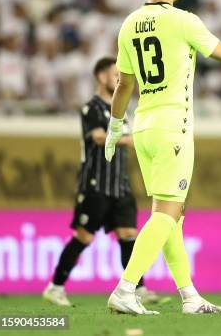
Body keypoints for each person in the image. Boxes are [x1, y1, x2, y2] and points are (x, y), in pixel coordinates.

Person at [104, 0, 221, 315]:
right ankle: (126, 289)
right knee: (166, 213)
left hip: (142, 126)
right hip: (173, 127)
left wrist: (115, 126)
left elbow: (124, 86)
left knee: (171, 213)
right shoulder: (183, 20)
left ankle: (189, 296)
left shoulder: (129, 23)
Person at [43, 57, 164, 307]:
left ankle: (138, 289)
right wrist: (132, 140)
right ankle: (55, 287)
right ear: (101, 77)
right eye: (114, 75)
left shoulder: (122, 109)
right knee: (84, 237)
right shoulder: (93, 108)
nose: (119, 79)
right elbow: (98, 137)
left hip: (120, 184)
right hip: (96, 184)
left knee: (128, 236)